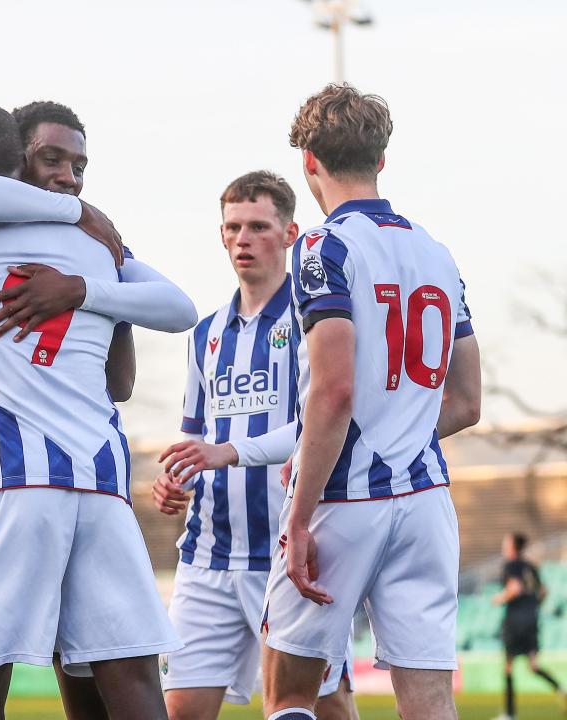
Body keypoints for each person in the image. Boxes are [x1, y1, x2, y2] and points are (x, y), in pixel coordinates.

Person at [0, 99, 197, 720]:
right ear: (12, 159)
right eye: (52, 159)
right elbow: (134, 366)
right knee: (123, 675)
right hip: (96, 480)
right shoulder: (95, 247)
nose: (69, 176)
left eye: (78, 166)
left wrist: (86, 293)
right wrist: (87, 252)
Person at [260, 84, 482, 720]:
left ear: (308, 162)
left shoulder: (321, 248)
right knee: (431, 701)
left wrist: (299, 515)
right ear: (382, 158)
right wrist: (403, 436)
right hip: (427, 501)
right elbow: (466, 403)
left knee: (291, 695)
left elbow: (334, 390)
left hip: (345, 497)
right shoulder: (437, 254)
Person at [151, 171, 357, 720]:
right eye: (234, 227)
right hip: (208, 553)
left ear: (290, 234)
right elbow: (195, 433)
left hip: (288, 551)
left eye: (259, 226)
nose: (244, 238)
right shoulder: (206, 331)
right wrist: (177, 476)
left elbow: (319, 426)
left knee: (323, 704)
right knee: (180, 710)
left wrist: (229, 451)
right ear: (221, 235)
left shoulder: (313, 315)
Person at [491, 532, 566, 720]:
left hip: (515, 621)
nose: (503, 546)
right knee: (533, 665)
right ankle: (561, 689)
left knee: (508, 667)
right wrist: (532, 606)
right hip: (531, 621)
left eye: (505, 542)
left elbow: (515, 588)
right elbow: (543, 591)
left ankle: (509, 714)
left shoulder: (511, 565)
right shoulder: (531, 567)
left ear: (512, 547)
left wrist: (499, 598)